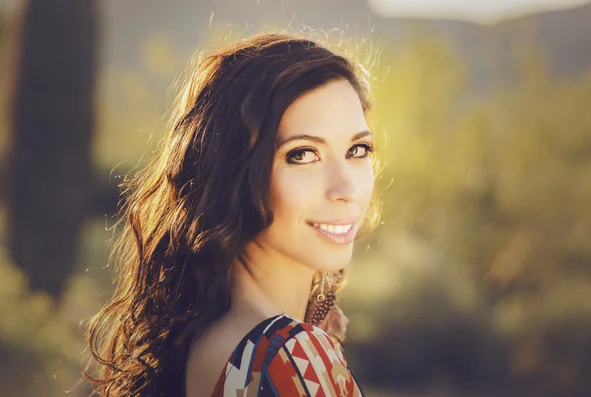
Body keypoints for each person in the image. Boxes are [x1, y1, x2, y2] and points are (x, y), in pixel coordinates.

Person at [85, 31, 381, 397]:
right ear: (233, 174)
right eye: (302, 154)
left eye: (358, 149)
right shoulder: (288, 355)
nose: (347, 189)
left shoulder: (206, 341)